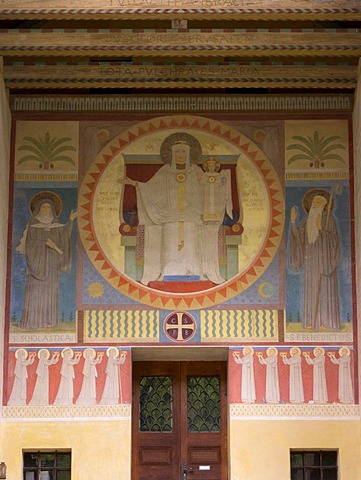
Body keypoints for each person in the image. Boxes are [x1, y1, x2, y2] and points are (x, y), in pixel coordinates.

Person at [122, 133, 204, 285]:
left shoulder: (197, 172)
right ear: (172, 154)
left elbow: (207, 191)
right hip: (169, 218)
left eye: (183, 152)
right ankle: (167, 273)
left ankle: (194, 272)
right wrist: (135, 184)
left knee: (191, 246)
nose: (180, 155)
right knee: (170, 247)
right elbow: (151, 188)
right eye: (177, 151)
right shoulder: (165, 171)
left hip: (191, 217)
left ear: (189, 154)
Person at [17, 191, 77, 329]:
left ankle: (49, 321)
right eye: (43, 207)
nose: (46, 210)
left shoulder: (57, 226)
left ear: (53, 210)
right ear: (38, 209)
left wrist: (71, 220)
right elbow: (29, 245)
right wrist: (44, 244)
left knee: (51, 291)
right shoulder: (33, 225)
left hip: (52, 265)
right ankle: (32, 321)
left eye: (48, 208)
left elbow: (65, 238)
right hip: (37, 265)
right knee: (35, 291)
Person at [289, 189, 341, 330]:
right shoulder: (307, 220)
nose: (315, 205)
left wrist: (322, 232)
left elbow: (334, 242)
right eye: (314, 202)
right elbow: (299, 239)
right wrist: (293, 223)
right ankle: (311, 321)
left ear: (324, 205)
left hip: (324, 262)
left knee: (324, 290)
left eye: (319, 202)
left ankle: (325, 322)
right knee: (311, 290)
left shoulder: (329, 220)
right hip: (310, 262)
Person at [201, 157, 233, 284]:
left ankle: (214, 271)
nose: (211, 166)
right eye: (208, 164)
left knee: (213, 243)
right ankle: (203, 270)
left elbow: (224, 194)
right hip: (203, 215)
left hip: (215, 216)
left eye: (213, 164)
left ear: (216, 166)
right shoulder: (202, 177)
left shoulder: (220, 178)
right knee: (203, 242)